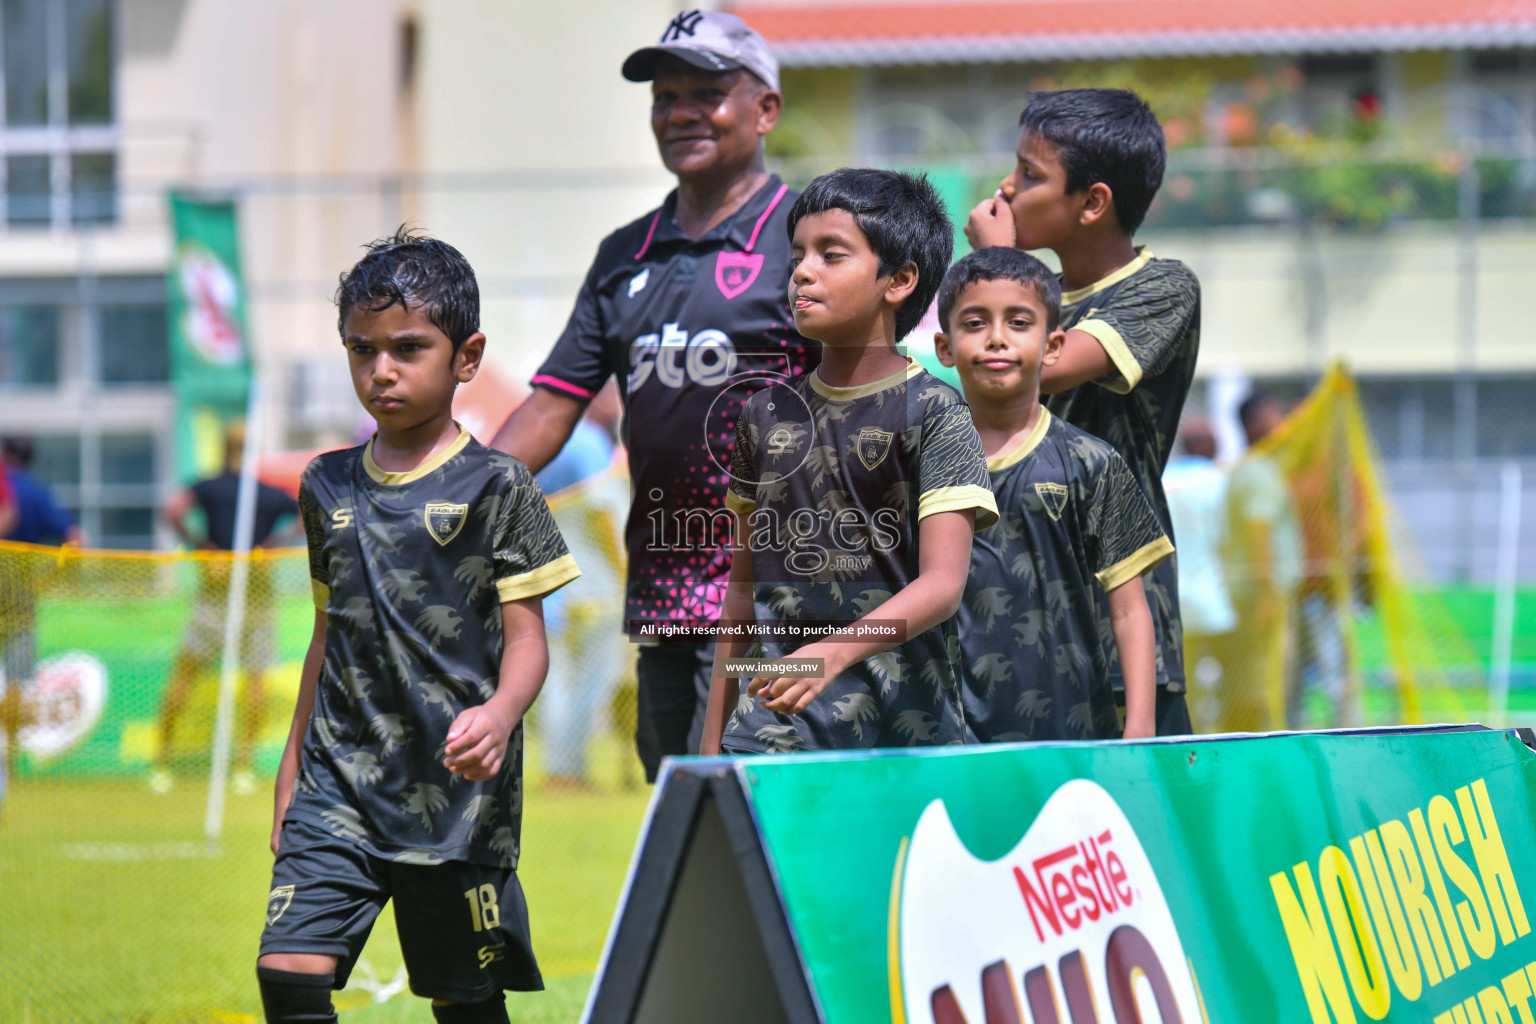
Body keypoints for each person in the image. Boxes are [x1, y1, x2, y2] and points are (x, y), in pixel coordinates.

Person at [258, 231, 579, 1024]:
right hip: (340, 782)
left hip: (456, 798)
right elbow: (327, 637)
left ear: (466, 357)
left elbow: (529, 640)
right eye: (361, 350)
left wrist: (500, 716)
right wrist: (292, 764)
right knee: (288, 970)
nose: (382, 370)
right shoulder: (324, 483)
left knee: (461, 1001)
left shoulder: (499, 485)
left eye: (407, 347)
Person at [490, 10, 818, 783]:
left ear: (765, 108)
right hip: (667, 601)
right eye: (665, 97)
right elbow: (550, 406)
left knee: (754, 820)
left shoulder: (809, 236)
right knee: (682, 816)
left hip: (780, 607)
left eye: (706, 93)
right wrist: (451, 496)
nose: (679, 113)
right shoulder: (623, 255)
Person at [701, 168, 998, 754]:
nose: (802, 272)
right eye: (797, 256)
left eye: (831, 255)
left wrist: (831, 651)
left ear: (900, 280)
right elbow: (740, 593)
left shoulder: (936, 412)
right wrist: (711, 743)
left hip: (902, 737)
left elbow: (942, 585)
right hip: (770, 735)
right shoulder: (762, 415)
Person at [965, 87, 1200, 736]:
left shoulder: (1161, 287)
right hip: (1011, 627)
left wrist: (994, 263)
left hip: (1121, 636)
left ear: (1094, 202)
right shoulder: (1030, 301)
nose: (1006, 190)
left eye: (1030, 175)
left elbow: (1036, 367)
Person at [935, 248, 1168, 742]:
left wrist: (1141, 730)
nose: (997, 338)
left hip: (1073, 733)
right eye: (975, 323)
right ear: (944, 347)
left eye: (1019, 322)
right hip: (946, 742)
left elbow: (1129, 609)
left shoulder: (1092, 463)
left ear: (1053, 344)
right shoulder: (915, 464)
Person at [150, 423, 298, 795]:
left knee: (186, 673)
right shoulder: (267, 493)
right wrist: (273, 544)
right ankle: (243, 767)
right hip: (253, 589)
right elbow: (307, 512)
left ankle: (161, 762)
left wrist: (200, 545)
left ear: (223, 447)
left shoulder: (208, 486)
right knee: (255, 678)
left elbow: (171, 510)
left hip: (218, 588)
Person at [532, 382, 629, 790]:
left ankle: (559, 770)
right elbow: (603, 513)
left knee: (557, 683)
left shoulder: (548, 442)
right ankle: (568, 772)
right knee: (592, 682)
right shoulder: (589, 443)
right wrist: (627, 572)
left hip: (549, 587)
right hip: (594, 589)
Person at [0, 436, 81, 812]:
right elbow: (75, 539)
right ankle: (10, 764)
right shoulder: (38, 493)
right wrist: (45, 581)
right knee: (16, 683)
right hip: (19, 594)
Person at [1219, 393, 1303, 731]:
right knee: (1263, 685)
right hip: (1261, 597)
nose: (1286, 422)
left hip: (1252, 595)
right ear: (1254, 424)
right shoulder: (1259, 472)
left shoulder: (1248, 467)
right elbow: (1259, 533)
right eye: (1276, 414)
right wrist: (1268, 593)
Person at [1163, 419, 1237, 731]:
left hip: (1172, 598)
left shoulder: (1165, 478)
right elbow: (1227, 538)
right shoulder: (1218, 480)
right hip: (1212, 598)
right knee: (1219, 680)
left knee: (1185, 678)